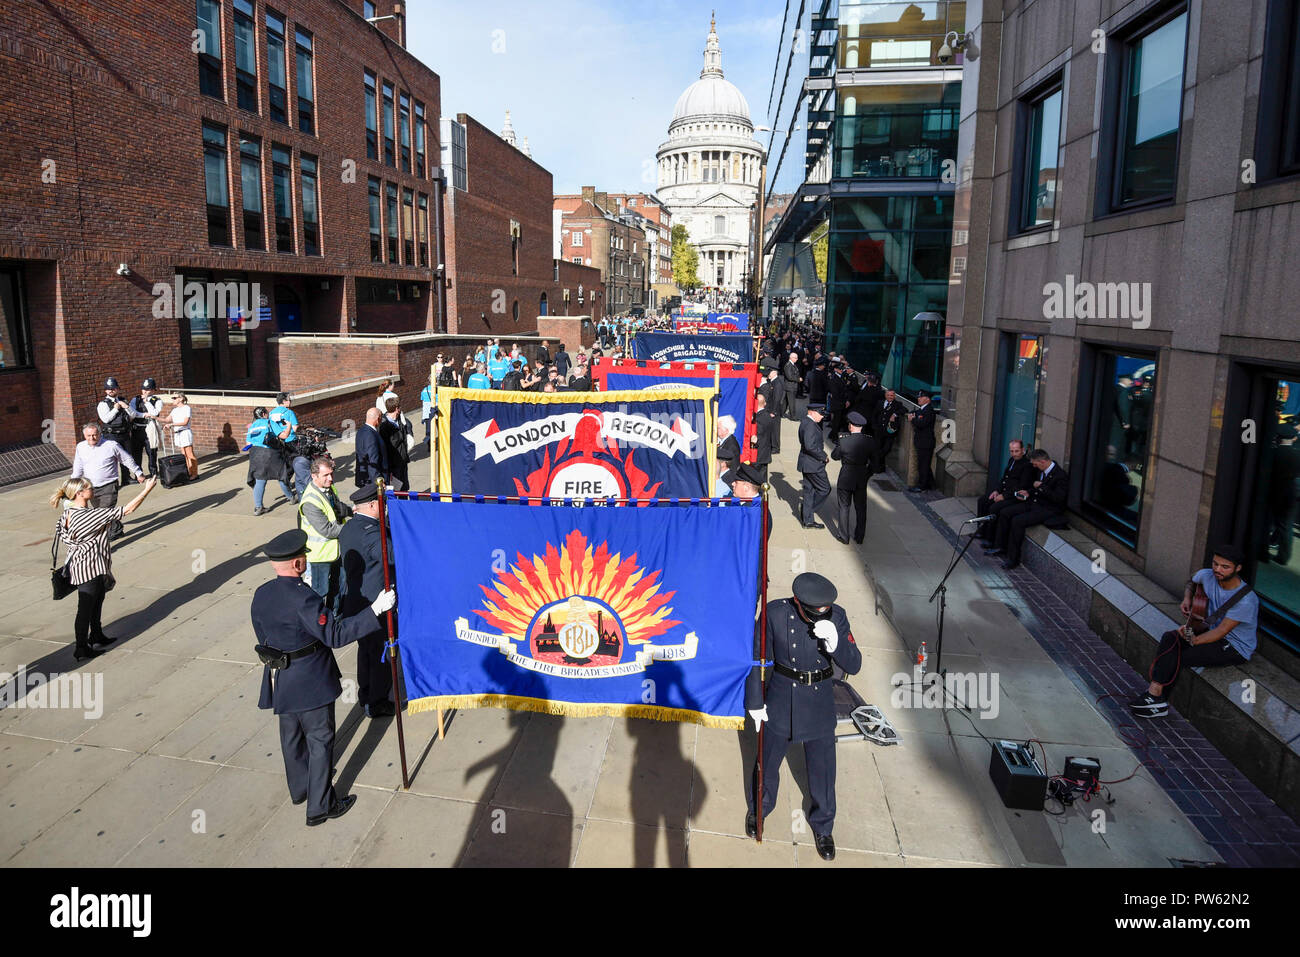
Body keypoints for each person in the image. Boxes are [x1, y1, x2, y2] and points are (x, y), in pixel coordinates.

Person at [251, 528, 396, 826]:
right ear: (297, 564)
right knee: (320, 740)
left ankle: (301, 787)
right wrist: (375, 611)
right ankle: (320, 805)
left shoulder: (262, 593)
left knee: (291, 736)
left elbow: (261, 632)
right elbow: (334, 634)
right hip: (309, 678)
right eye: (303, 555)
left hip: (280, 675)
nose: (305, 558)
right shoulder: (304, 598)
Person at [745, 572, 862, 861]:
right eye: (813, 612)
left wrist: (836, 644)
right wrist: (756, 701)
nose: (819, 616)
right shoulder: (775, 613)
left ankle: (823, 825)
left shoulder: (838, 617)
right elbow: (758, 659)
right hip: (782, 696)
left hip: (819, 699)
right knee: (767, 761)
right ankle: (759, 808)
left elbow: (854, 664)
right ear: (798, 603)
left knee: (823, 771)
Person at [1131, 546, 1258, 718]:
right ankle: (1155, 695)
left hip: (1234, 646)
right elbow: (1192, 582)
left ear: (1238, 568)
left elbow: (1221, 631)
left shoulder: (1246, 601)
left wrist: (1194, 640)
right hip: (1209, 630)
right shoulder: (1207, 575)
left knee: (1181, 656)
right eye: (1215, 564)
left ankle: (1156, 700)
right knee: (1170, 638)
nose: (1217, 570)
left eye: (1224, 567)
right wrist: (1187, 598)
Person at [50, 474, 159, 660]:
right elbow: (127, 510)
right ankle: (81, 647)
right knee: (85, 608)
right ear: (79, 493)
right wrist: (147, 489)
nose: (92, 489)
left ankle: (97, 635)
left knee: (96, 601)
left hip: (82, 565)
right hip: (89, 568)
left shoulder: (67, 514)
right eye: (89, 487)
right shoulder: (87, 516)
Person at [338, 483, 397, 719]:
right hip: (376, 605)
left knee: (366, 653)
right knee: (381, 655)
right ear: (373, 505)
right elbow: (391, 556)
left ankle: (366, 695)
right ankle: (378, 701)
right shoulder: (372, 532)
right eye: (381, 504)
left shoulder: (350, 527)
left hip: (357, 601)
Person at [983, 449, 1069, 569]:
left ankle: (1013, 559)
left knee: (1017, 521)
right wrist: (1028, 492)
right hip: (1034, 502)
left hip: (1048, 509)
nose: (1033, 466)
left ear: (1043, 461)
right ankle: (1000, 546)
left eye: (1035, 464)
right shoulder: (1042, 470)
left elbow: (1058, 498)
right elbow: (1036, 489)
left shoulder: (1060, 476)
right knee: (1005, 512)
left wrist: (1041, 487)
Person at [298, 455, 351, 607]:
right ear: (314, 476)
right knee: (321, 592)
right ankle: (319, 624)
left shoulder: (329, 487)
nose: (331, 478)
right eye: (326, 475)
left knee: (339, 588)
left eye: (331, 474)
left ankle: (336, 619)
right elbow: (327, 530)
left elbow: (337, 507)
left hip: (336, 551)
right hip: (320, 556)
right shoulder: (310, 501)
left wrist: (352, 511)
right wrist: (352, 527)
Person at [976, 439, 1035, 540]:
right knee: (983, 501)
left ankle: (990, 538)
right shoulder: (1011, 460)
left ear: (1022, 450)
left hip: (1014, 496)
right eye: (1012, 451)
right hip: (1003, 492)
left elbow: (1022, 486)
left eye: (1016, 451)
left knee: (994, 508)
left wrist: (1003, 496)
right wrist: (997, 491)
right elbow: (1004, 478)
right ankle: (981, 531)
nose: (1014, 454)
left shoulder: (1027, 465)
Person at [832, 411, 875, 544]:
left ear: (851, 426)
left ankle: (844, 536)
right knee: (861, 508)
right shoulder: (870, 440)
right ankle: (860, 536)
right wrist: (867, 474)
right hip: (861, 476)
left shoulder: (844, 439)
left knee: (844, 507)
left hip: (846, 476)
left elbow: (835, 456)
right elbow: (876, 463)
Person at [246, 407, 295, 516]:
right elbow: (284, 436)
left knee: (260, 479)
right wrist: (289, 426)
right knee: (281, 475)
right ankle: (291, 498)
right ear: (263, 414)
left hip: (255, 454)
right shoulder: (269, 422)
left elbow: (247, 444)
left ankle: (258, 507)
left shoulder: (252, 426)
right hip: (270, 453)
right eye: (267, 412)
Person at [797, 403, 831, 529]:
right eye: (820, 414)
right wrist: (823, 456)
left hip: (807, 463)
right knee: (825, 489)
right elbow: (810, 446)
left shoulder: (806, 422)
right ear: (812, 412)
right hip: (813, 465)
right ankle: (808, 511)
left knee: (809, 491)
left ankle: (808, 521)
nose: (822, 417)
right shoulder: (810, 425)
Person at [96, 377, 135, 486]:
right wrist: (116, 409)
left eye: (113, 388)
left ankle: (127, 478)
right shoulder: (103, 404)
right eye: (109, 389)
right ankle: (112, 482)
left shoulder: (123, 400)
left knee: (126, 456)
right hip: (111, 435)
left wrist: (126, 407)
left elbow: (133, 416)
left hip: (124, 433)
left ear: (118, 389)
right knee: (111, 459)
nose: (111, 390)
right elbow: (105, 419)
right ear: (105, 391)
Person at [129, 378, 166, 477]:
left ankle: (153, 472)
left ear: (153, 390)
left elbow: (154, 413)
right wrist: (143, 414)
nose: (144, 391)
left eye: (148, 389)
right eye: (143, 388)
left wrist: (147, 402)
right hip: (137, 429)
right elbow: (132, 412)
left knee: (152, 451)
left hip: (150, 429)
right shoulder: (135, 399)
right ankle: (139, 474)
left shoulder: (157, 400)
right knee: (137, 453)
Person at [379, 397, 412, 492]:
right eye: (399, 407)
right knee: (396, 489)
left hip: (403, 460)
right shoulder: (384, 425)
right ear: (397, 408)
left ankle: (405, 504)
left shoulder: (400, 419)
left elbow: (408, 428)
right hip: (393, 464)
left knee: (405, 487)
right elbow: (388, 445)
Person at [907, 390, 937, 492]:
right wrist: (912, 415)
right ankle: (931, 484)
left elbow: (922, 424)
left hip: (926, 442)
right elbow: (915, 412)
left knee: (923, 465)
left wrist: (913, 419)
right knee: (924, 464)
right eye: (919, 397)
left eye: (921, 397)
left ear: (927, 399)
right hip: (921, 442)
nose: (918, 398)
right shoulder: (922, 409)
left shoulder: (929, 411)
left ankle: (922, 486)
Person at [354, 408, 390, 488]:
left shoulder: (361, 431)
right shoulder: (371, 435)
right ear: (378, 419)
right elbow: (372, 459)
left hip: (365, 478)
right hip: (373, 482)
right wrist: (378, 481)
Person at [870, 390, 902, 475]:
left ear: (894, 396)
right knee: (877, 449)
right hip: (879, 431)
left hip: (889, 432)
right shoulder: (879, 403)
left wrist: (895, 414)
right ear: (885, 395)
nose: (890, 397)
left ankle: (877, 464)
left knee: (886, 449)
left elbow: (904, 410)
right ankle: (878, 468)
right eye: (888, 395)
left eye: (892, 395)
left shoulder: (898, 404)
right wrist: (874, 426)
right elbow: (874, 415)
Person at [169, 394, 198, 480]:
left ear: (181, 399)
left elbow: (185, 422)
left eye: (174, 398)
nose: (173, 399)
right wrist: (154, 417)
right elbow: (167, 419)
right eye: (172, 398)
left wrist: (171, 424)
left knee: (189, 454)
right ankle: (188, 472)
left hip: (185, 432)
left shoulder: (186, 408)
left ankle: (194, 473)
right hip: (178, 433)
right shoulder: (174, 410)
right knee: (184, 455)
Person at [752, 392, 777, 483]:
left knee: (756, 481)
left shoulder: (758, 419)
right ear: (765, 403)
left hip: (758, 455)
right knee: (763, 480)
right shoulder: (768, 416)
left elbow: (758, 435)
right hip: (765, 454)